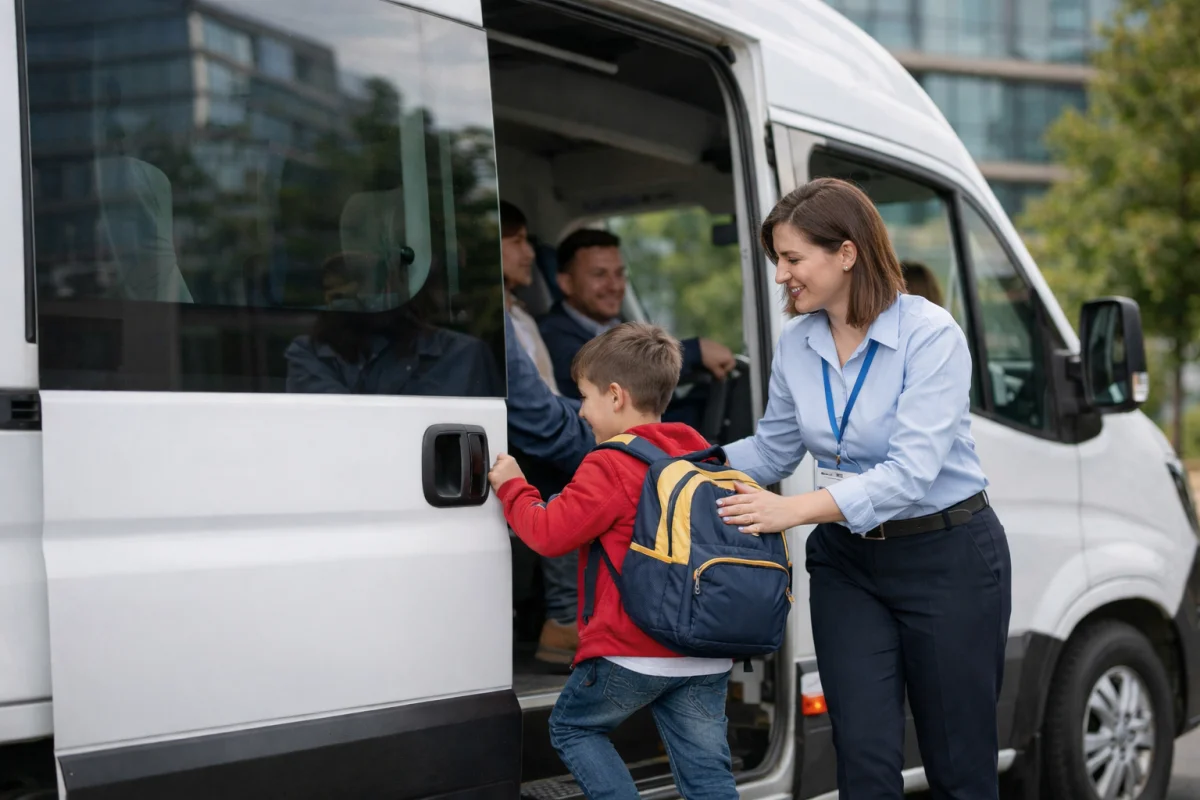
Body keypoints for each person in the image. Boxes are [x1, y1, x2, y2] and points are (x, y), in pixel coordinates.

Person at [715, 178, 1012, 800]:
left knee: (959, 765)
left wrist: (789, 511)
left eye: (792, 259)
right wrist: (679, 463)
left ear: (846, 254)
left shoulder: (929, 335)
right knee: (861, 758)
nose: (781, 276)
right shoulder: (797, 342)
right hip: (849, 563)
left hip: (948, 559)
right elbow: (773, 448)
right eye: (778, 260)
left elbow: (910, 474)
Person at [488, 322, 739, 800]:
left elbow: (547, 533)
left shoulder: (610, 463)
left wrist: (513, 485)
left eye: (583, 397)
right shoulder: (703, 457)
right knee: (707, 776)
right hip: (704, 651)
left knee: (573, 728)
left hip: (633, 647)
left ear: (617, 396)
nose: (580, 411)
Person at [500, 200, 580, 666]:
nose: (529, 253)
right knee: (576, 474)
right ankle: (566, 621)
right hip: (526, 451)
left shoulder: (521, 313)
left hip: (538, 438)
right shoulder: (505, 319)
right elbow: (535, 415)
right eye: (516, 242)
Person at [538, 229, 737, 402]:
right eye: (599, 275)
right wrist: (693, 351)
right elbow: (615, 375)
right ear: (566, 283)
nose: (614, 286)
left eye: (619, 274)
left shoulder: (618, 325)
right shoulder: (552, 336)